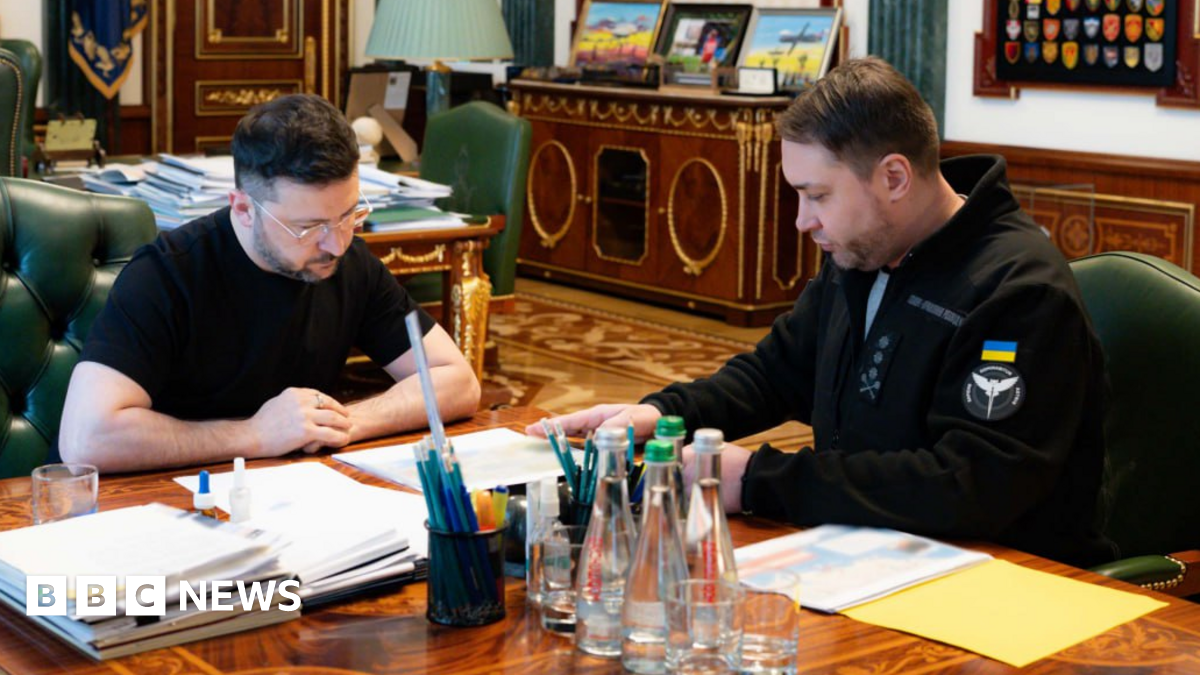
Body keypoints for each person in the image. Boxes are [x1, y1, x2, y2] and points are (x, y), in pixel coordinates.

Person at [529, 57, 1114, 567]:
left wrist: (757, 480)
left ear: (893, 177)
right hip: (871, 551)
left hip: (1004, 581)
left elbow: (970, 484)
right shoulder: (864, 248)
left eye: (817, 195)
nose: (802, 221)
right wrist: (662, 414)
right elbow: (776, 372)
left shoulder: (1019, 291)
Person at [59, 94, 480, 473]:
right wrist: (256, 435)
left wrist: (339, 423)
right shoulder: (166, 275)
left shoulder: (348, 263)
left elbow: (457, 381)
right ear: (243, 208)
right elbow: (87, 440)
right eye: (309, 227)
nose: (336, 244)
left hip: (286, 491)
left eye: (349, 215)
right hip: (160, 500)